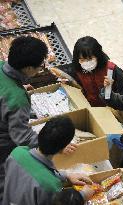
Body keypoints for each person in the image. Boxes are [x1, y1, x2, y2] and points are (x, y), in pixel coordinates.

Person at [3, 116, 94, 205]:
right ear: (63, 149)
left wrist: (66, 175)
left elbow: (34, 172)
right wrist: (82, 195)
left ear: (41, 134)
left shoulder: (17, 152)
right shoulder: (50, 186)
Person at [0, 36, 48, 203]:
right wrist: (50, 143)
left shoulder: (1, 67)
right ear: (28, 68)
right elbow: (22, 138)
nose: (40, 70)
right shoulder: (17, 100)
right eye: (39, 67)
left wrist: (18, 85)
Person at [71, 36, 123, 107]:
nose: (86, 63)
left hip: (112, 108)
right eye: (82, 60)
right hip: (91, 108)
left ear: (97, 55)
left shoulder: (111, 70)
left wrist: (109, 89)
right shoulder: (77, 70)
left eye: (90, 59)